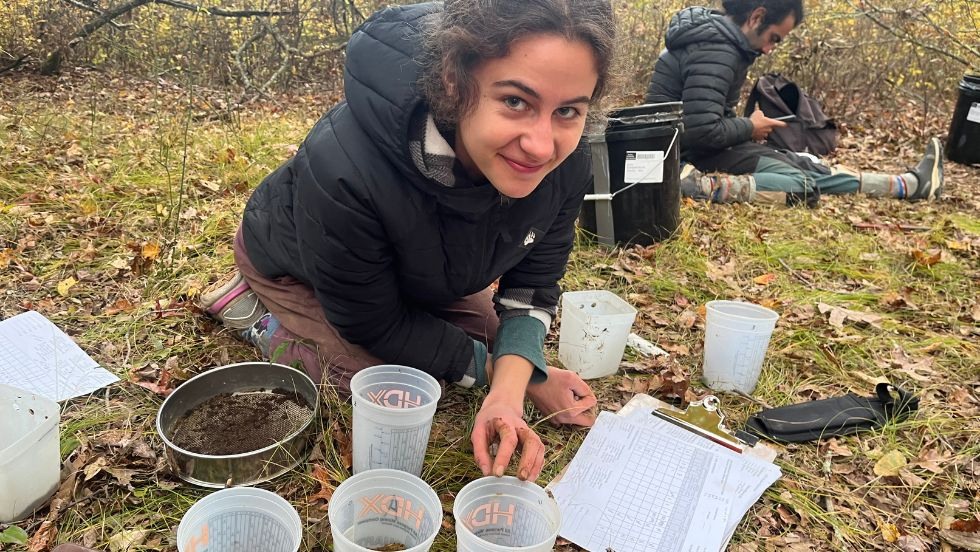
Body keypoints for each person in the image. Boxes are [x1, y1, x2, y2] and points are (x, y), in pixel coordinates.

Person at [199, 0, 618, 483]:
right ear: (454, 83)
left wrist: (518, 381)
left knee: (493, 337)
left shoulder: (566, 162)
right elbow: (373, 321)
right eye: (515, 102)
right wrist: (510, 377)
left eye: (567, 111)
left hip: (424, 272)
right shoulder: (345, 167)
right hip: (294, 262)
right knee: (378, 381)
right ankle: (251, 312)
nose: (542, 146)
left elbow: (533, 285)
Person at [645, 0, 943, 206]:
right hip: (679, 153)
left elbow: (709, 118)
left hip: (694, 147)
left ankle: (907, 185)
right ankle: (702, 188)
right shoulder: (718, 50)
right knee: (799, 186)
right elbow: (702, 130)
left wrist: (747, 129)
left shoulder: (724, 43)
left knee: (799, 165)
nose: (770, 49)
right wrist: (750, 126)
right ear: (756, 17)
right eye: (773, 38)